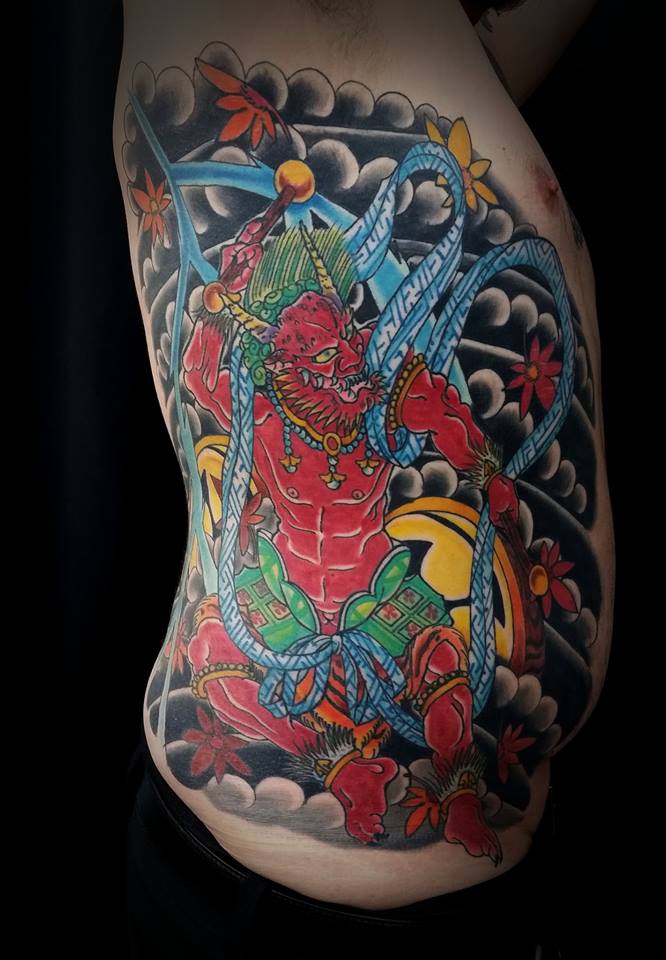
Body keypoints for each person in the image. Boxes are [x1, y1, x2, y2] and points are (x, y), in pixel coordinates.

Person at [115, 1, 614, 955]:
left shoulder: (377, 392)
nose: (343, 352)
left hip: (383, 601)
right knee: (227, 663)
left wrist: (482, 470)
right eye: (317, 343)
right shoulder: (258, 390)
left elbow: (446, 420)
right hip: (255, 889)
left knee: (435, 656)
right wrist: (238, 289)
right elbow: (210, 357)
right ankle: (345, 764)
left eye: (344, 334)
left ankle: (448, 781)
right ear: (280, 347)